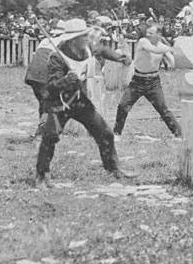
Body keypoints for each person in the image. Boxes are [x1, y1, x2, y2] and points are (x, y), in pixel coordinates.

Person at [33, 19, 135, 185]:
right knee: (50, 137)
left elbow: (102, 50)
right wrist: (66, 80)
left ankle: (113, 168)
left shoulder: (86, 48)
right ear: (74, 40)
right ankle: (42, 174)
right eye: (83, 36)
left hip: (79, 100)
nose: (87, 38)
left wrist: (119, 57)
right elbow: (50, 87)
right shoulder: (57, 58)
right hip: (59, 103)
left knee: (105, 133)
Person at [113, 22, 182, 138]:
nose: (148, 34)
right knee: (123, 105)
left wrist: (179, 58)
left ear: (158, 34)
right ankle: (116, 133)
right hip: (137, 81)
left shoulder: (163, 47)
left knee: (163, 110)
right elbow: (153, 50)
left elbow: (173, 63)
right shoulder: (143, 42)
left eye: (151, 33)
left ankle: (179, 134)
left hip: (153, 82)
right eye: (148, 32)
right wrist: (172, 48)